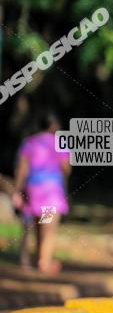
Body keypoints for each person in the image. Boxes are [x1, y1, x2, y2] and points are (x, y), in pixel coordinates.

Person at [13, 113, 70, 274]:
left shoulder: (29, 142)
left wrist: (18, 191)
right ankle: (44, 262)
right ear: (53, 126)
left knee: (39, 225)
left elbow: (22, 170)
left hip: (34, 189)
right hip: (51, 190)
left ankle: (39, 259)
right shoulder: (60, 143)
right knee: (49, 228)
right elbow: (66, 168)